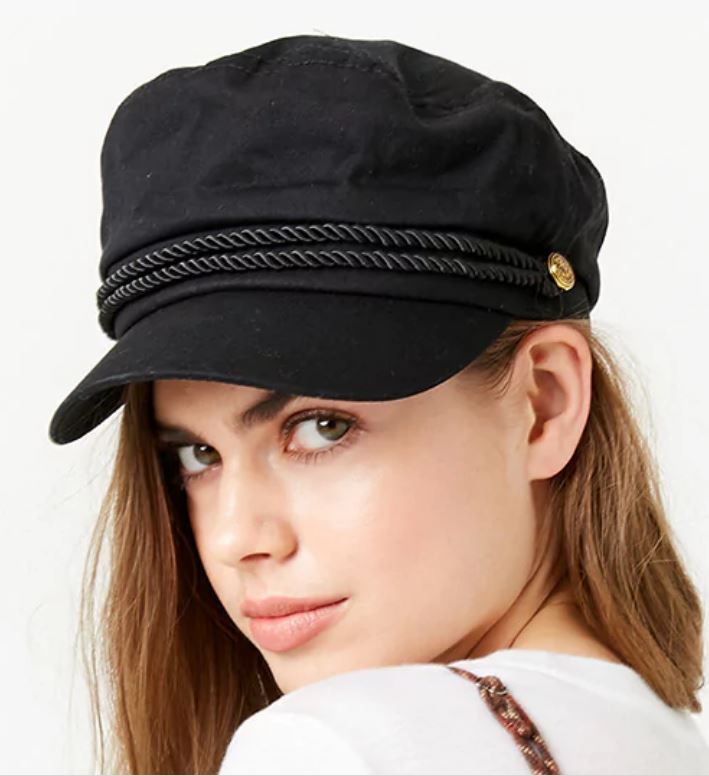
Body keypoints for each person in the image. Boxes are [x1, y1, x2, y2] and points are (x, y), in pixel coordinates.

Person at [48, 34, 709, 775]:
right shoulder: (662, 735)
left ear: (544, 403)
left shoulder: (333, 746)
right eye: (196, 455)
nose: (236, 539)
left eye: (321, 428)